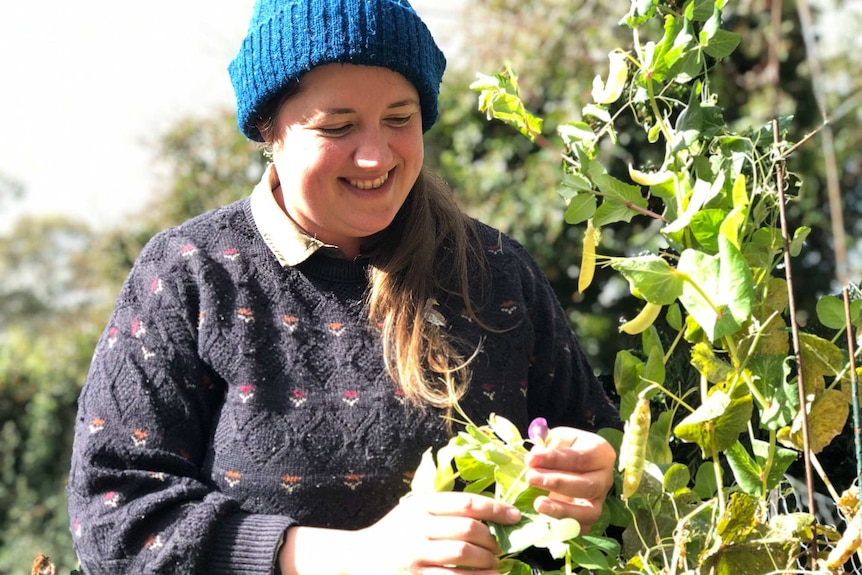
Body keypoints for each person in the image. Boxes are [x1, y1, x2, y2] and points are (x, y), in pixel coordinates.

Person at [66, 0, 621, 573]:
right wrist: (350, 556)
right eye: (337, 126)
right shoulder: (192, 274)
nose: (375, 155)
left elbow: (605, 470)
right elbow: (113, 519)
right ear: (269, 130)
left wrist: (598, 475)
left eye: (400, 119)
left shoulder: (496, 270)